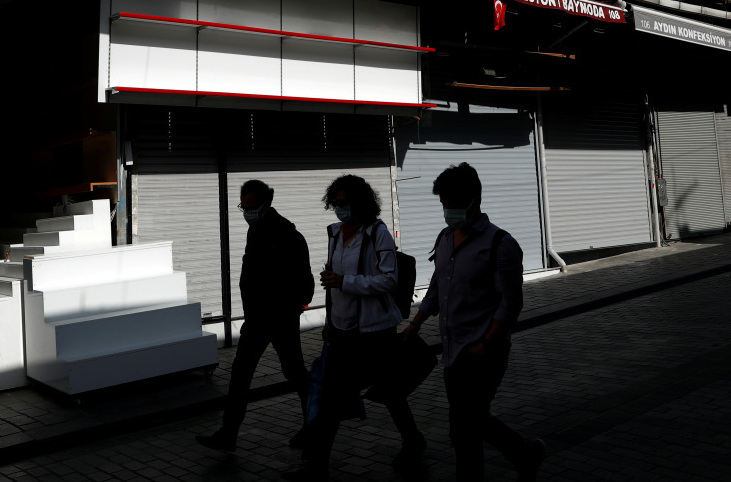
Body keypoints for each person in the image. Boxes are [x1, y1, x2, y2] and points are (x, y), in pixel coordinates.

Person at [403, 162, 546, 482]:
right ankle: (525, 453)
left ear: (474, 199)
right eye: (443, 204)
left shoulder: (501, 244)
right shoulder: (444, 239)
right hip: (453, 352)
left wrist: (486, 342)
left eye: (452, 202)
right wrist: (416, 324)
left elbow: (511, 303)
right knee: (470, 422)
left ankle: (515, 458)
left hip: (486, 351)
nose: (447, 210)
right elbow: (437, 289)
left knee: (465, 427)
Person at [282, 175, 425, 481]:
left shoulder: (378, 234)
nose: (339, 209)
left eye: (344, 203)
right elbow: (332, 283)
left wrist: (345, 282)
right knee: (330, 394)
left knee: (388, 391)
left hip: (375, 332)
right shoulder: (334, 234)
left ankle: (413, 440)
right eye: (335, 203)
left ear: (360, 203)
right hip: (343, 331)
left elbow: (390, 279)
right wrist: (331, 320)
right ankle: (316, 463)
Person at [197, 179, 314, 453]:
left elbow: (302, 280)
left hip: (280, 318)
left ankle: (315, 424)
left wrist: (292, 308)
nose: (246, 212)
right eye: (243, 206)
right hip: (258, 319)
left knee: (294, 372)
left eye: (250, 207)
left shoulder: (287, 234)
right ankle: (229, 433)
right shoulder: (257, 231)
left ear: (265, 205)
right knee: (241, 374)